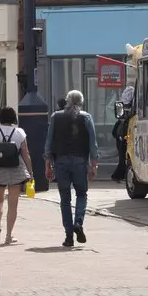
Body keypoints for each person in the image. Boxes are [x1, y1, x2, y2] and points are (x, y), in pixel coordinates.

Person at [45, 90, 98, 247]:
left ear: (67, 101)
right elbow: (92, 143)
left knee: (65, 199)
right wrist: (94, 165)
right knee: (82, 194)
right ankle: (78, 223)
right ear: (81, 102)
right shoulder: (86, 117)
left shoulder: (56, 117)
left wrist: (48, 164)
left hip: (61, 162)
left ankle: (69, 237)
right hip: (80, 161)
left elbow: (49, 142)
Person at [0, 107, 32, 244]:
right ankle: (9, 235)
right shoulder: (20, 133)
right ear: (14, 118)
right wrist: (30, 172)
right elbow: (26, 154)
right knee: (13, 204)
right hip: (15, 169)